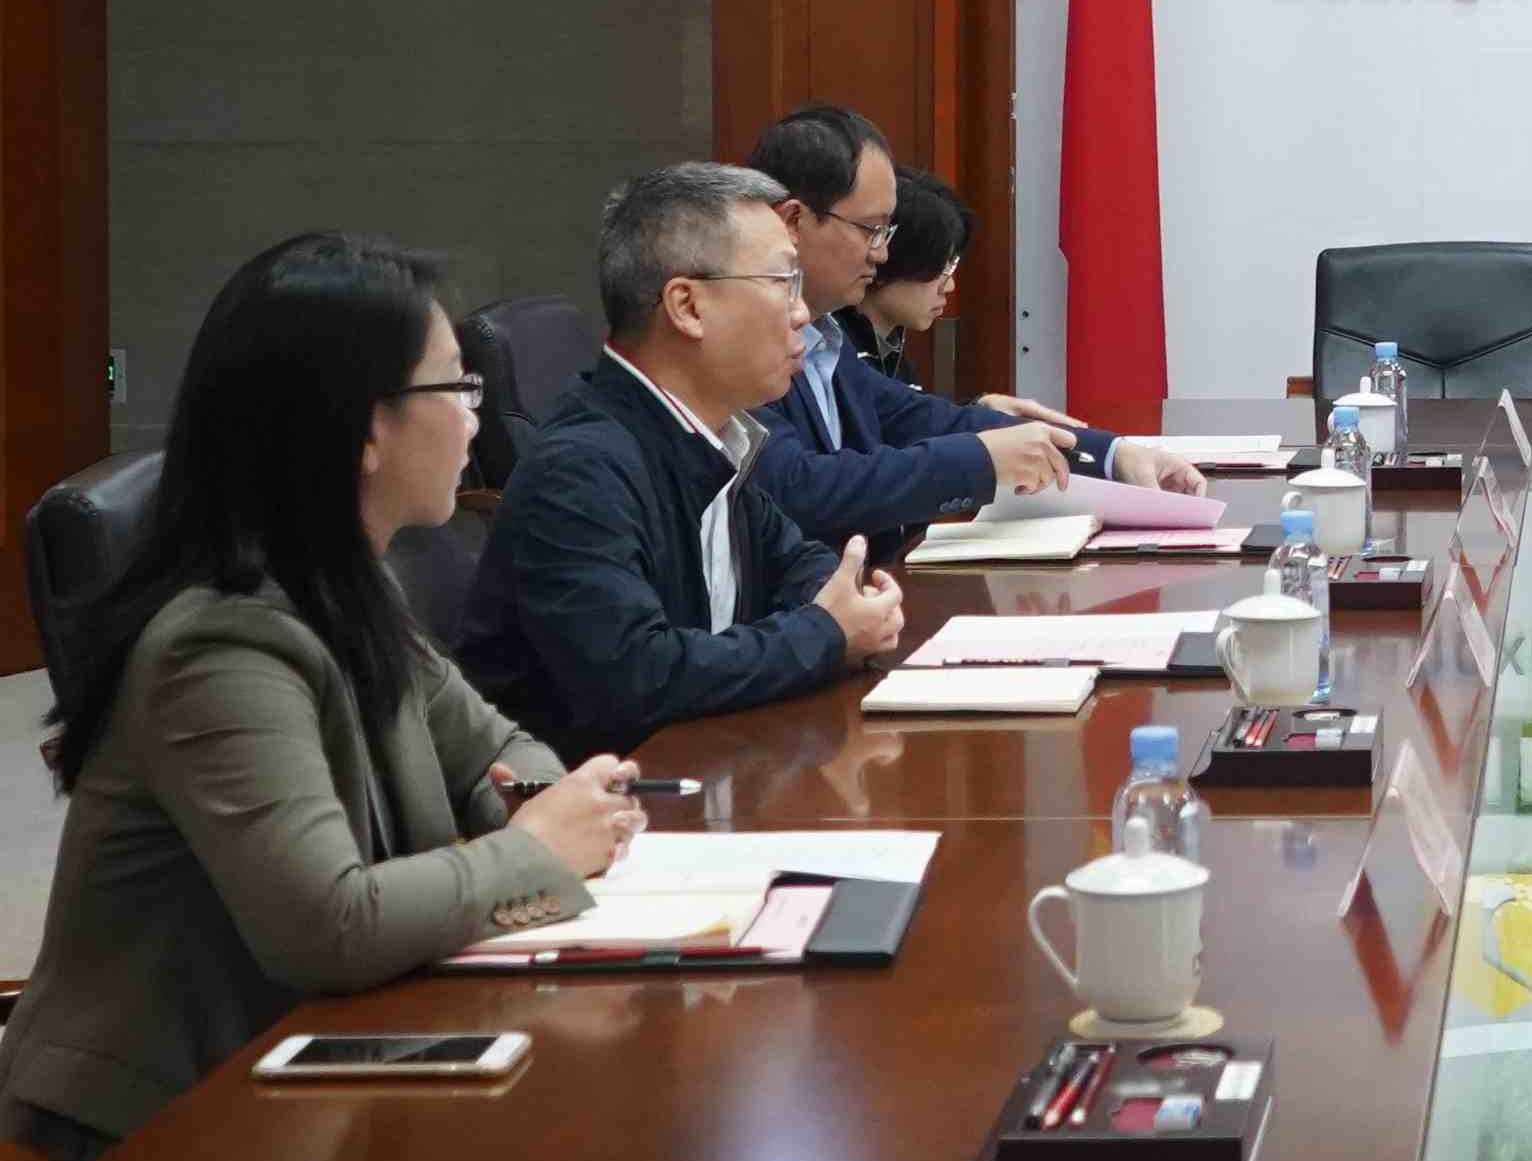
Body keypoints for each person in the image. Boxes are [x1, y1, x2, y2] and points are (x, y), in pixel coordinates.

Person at [0, 234, 643, 1161]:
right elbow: (331, 928)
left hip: (305, 1074)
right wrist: (533, 850)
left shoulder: (347, 583)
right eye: (455, 387)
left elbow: (499, 745)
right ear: (366, 429)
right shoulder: (221, 648)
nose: (474, 419)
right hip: (145, 1150)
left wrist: (528, 802)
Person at [461, 162, 908, 754]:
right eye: (783, 281)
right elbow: (640, 677)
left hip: (708, 772)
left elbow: (792, 561)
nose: (803, 312)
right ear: (688, 306)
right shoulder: (579, 471)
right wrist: (826, 633)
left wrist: (847, 601)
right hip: (601, 797)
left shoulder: (710, 436)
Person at [741, 102, 1207, 528]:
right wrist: (983, 460)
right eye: (872, 230)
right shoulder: (741, 340)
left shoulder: (825, 339)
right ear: (794, 221)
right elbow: (800, 489)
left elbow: (924, 419)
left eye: (887, 233)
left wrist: (1113, 454)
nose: (881, 254)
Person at [854, 172, 971, 388]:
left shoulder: (890, 347)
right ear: (888, 257)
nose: (950, 286)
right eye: (940, 268)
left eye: (951, 265)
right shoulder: (835, 354)